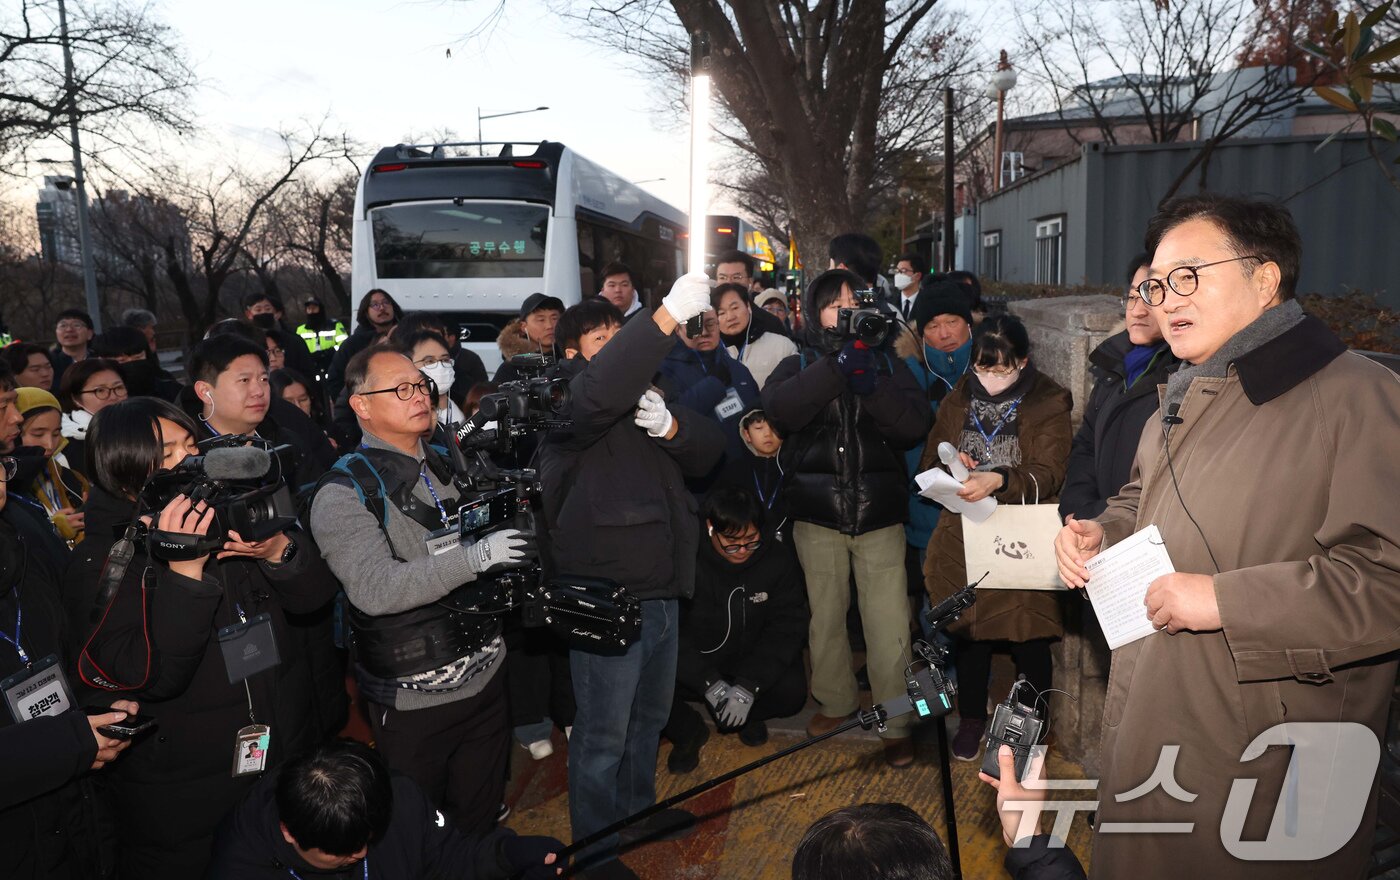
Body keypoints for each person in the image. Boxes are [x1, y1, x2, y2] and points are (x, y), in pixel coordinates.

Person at [1053, 193, 1400, 879]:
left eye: (1189, 275)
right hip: (1160, 715)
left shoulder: (1357, 395)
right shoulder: (1179, 401)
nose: (1163, 299)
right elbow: (1141, 500)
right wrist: (1101, 530)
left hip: (1268, 758)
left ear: (1265, 278)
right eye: (1155, 283)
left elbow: (1387, 580)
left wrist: (1225, 603)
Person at [66, 397, 339, 878]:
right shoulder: (106, 557)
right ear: (125, 468)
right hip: (186, 789)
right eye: (168, 452)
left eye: (191, 444)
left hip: (278, 746)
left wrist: (281, 552)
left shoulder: (227, 509)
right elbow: (152, 677)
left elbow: (313, 602)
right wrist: (184, 574)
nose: (189, 461)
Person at [539, 277, 723, 879]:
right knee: (601, 736)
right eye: (601, 337)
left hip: (663, 589)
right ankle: (594, 851)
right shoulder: (569, 406)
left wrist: (672, 427)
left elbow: (710, 454)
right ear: (572, 355)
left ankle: (635, 813)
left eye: (621, 333)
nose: (617, 344)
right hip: (606, 597)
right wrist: (665, 315)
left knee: (649, 719)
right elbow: (599, 391)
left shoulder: (649, 392)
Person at [310, 345, 534, 838]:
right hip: (414, 701)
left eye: (422, 386)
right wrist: (474, 559)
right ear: (361, 405)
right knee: (413, 833)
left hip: (489, 674)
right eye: (401, 388)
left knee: (478, 823)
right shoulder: (342, 493)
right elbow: (375, 588)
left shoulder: (448, 458)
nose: (419, 396)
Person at [760, 268, 932, 768]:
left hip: (879, 514)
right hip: (817, 514)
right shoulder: (799, 359)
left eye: (853, 300)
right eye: (835, 303)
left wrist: (871, 381)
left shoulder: (887, 360)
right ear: (815, 313)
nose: (846, 310)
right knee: (826, 618)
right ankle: (835, 702)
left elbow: (912, 425)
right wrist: (835, 368)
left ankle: (897, 719)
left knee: (890, 625)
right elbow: (780, 410)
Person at [919, 314, 1071, 761]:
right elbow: (931, 454)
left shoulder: (1047, 401)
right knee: (970, 631)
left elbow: (1050, 471)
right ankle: (972, 718)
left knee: (1030, 635)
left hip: (1021, 532)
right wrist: (953, 464)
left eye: (1001, 370)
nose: (989, 379)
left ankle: (1032, 723)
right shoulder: (959, 397)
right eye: (982, 369)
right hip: (966, 530)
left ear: (1022, 362)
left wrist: (999, 479)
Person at [208, 739, 565, 879]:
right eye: (343, 852)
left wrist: (506, 856)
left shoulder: (397, 796)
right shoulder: (239, 868)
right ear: (289, 831)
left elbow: (450, 858)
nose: (361, 853)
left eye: (367, 839)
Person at [664, 486, 808, 772]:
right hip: (699, 664)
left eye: (751, 541)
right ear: (710, 528)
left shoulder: (776, 558)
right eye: (731, 542)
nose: (742, 551)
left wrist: (748, 685)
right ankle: (688, 730)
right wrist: (708, 682)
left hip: (749, 661)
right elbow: (669, 630)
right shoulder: (685, 559)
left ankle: (746, 713)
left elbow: (788, 626)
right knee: (646, 684)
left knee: (793, 693)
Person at [1058, 255, 1178, 523]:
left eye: (1151, 297)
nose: (1137, 310)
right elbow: (1086, 444)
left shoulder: (1184, 373)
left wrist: (1102, 518)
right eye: (1133, 296)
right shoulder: (1114, 362)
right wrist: (1075, 508)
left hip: (1138, 530)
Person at [896, 283, 975, 632]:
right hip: (926, 511)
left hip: (980, 509)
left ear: (969, 324)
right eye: (932, 326)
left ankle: (975, 684)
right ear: (920, 333)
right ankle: (940, 681)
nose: (944, 334)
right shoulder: (908, 374)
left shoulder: (992, 366)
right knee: (936, 602)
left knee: (977, 605)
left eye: (952, 321)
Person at [655, 299, 761, 486]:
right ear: (678, 330)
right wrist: (713, 386)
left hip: (744, 477)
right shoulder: (663, 372)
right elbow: (672, 417)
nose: (703, 332)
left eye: (710, 324)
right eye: (695, 326)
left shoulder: (737, 368)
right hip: (698, 485)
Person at [14, 387, 88, 545]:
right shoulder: (9, 486)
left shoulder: (70, 477)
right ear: (13, 433)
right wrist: (54, 529)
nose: (50, 444)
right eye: (38, 434)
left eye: (56, 433)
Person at [715, 409, 789, 542]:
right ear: (747, 434)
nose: (767, 434)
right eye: (759, 428)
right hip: (745, 546)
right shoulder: (733, 471)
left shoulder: (794, 468)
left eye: (774, 427)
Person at [712, 281, 798, 389]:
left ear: (748, 306)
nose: (730, 317)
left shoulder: (783, 347)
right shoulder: (708, 353)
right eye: (721, 313)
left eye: (735, 308)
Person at [57, 358, 128, 477]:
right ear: (75, 398)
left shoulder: (141, 427)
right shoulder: (68, 446)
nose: (113, 397)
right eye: (100, 390)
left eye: (119, 388)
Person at [328, 289, 403, 397]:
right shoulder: (353, 344)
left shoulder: (407, 337)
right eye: (375, 305)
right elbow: (335, 381)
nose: (382, 308)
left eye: (386, 302)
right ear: (366, 312)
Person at [394, 329, 464, 429]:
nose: (440, 366)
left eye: (445, 360)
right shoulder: (402, 414)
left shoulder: (466, 405)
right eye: (430, 361)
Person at [92, 325, 183, 400]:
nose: (132, 364)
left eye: (138, 357)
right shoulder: (96, 394)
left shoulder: (166, 384)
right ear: (102, 360)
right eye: (121, 360)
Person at [496, 293, 564, 383]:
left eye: (554, 318)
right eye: (541, 320)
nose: (549, 326)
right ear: (523, 326)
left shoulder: (571, 359)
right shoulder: (511, 369)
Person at [294, 296, 348, 370]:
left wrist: (327, 352)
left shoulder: (334, 325)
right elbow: (298, 350)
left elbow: (344, 345)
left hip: (333, 364)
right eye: (309, 309)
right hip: (311, 367)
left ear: (320, 309)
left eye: (314, 308)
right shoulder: (301, 330)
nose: (311, 311)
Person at [49, 309, 94, 393]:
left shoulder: (100, 360)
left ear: (89, 334)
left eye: (77, 325)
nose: (69, 329)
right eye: (63, 325)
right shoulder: (49, 363)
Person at [893, 252, 927, 323]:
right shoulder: (890, 302)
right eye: (897, 271)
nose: (899, 275)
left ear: (917, 276)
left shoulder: (927, 302)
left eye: (903, 271)